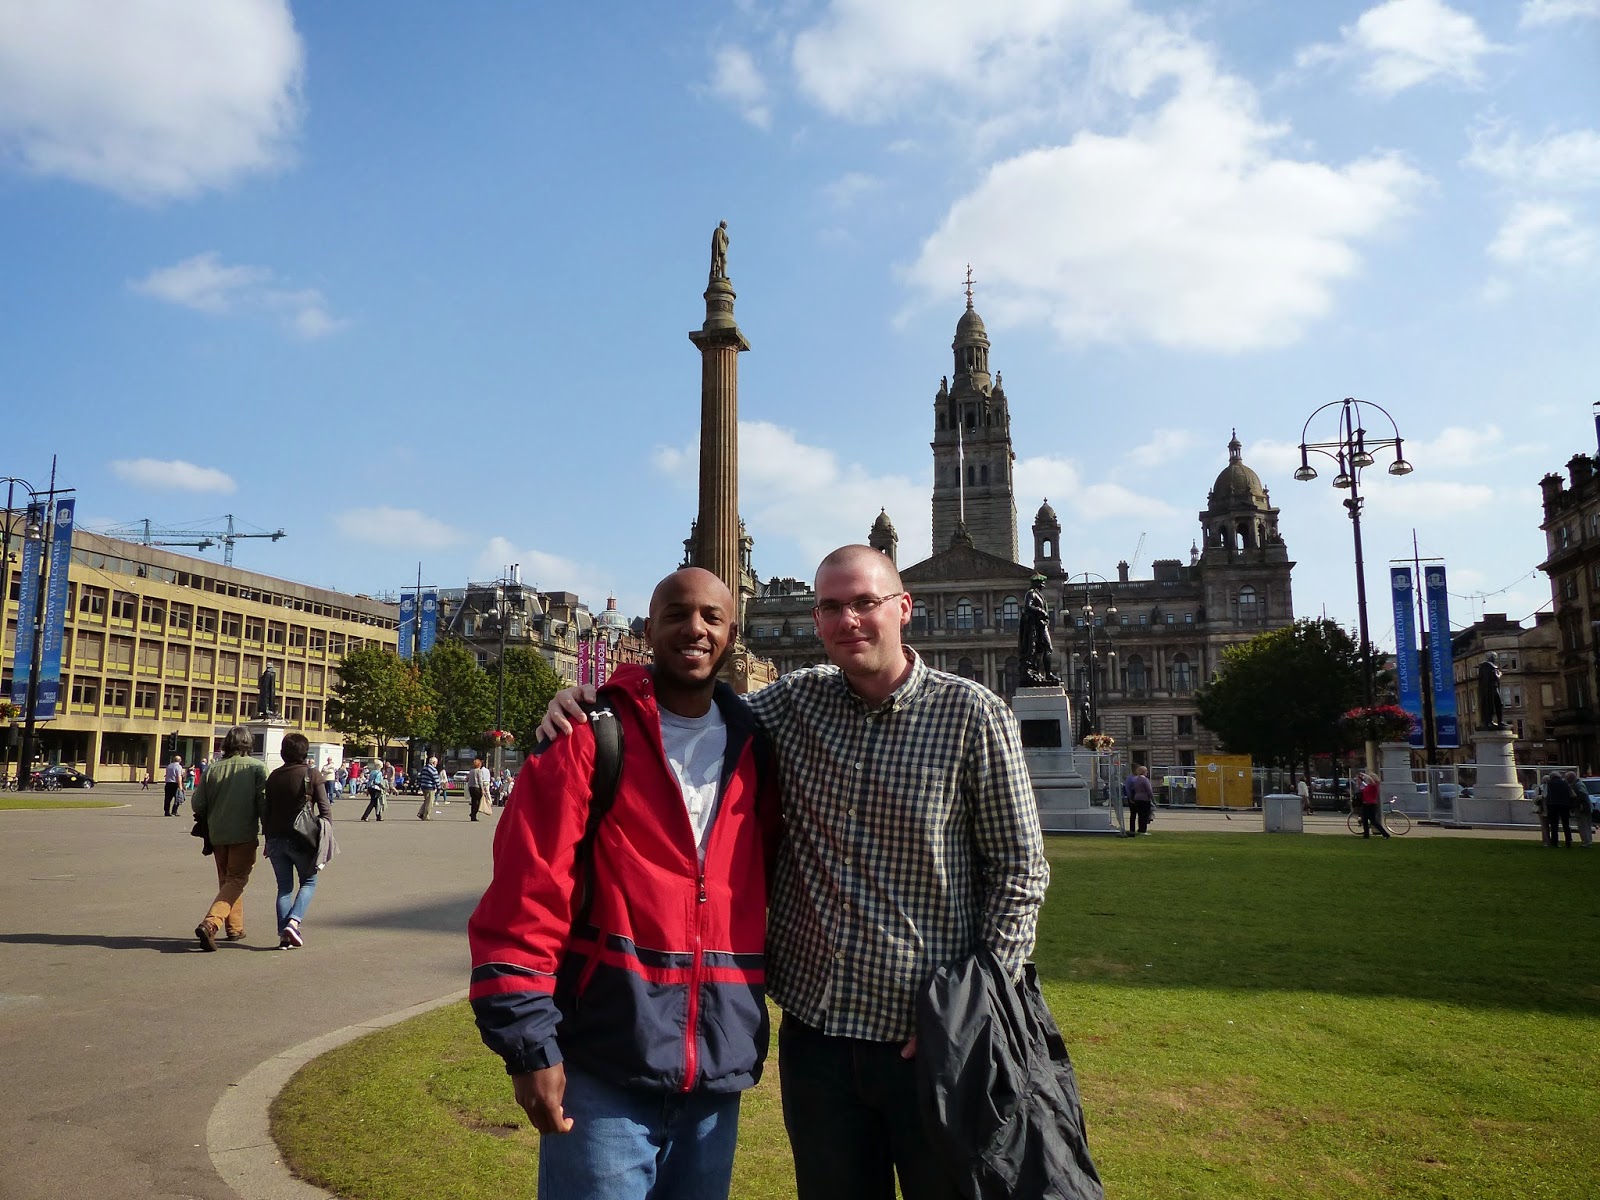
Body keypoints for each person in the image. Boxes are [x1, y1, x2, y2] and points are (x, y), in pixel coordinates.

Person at [542, 546, 1051, 1200]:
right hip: (818, 1045)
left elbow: (1021, 874)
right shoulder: (794, 705)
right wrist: (593, 700)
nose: (850, 620)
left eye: (865, 602)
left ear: (903, 608)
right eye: (833, 607)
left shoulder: (976, 715)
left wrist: (972, 1011)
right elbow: (691, 709)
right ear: (817, 619)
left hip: (929, 1043)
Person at [469, 568, 781, 1200]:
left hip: (714, 1073)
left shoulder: (762, 747)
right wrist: (529, 1044)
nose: (694, 628)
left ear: (733, 635)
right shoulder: (587, 734)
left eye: (712, 618)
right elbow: (528, 892)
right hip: (603, 1064)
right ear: (646, 629)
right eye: (676, 614)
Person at [191, 725, 268, 950]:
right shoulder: (257, 768)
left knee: (228, 880)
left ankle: (234, 927)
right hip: (243, 832)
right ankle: (211, 923)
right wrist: (269, 830)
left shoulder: (213, 769)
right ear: (249, 744)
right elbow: (264, 803)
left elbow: (198, 803)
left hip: (217, 834)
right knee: (237, 879)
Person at [263, 732, 334, 949]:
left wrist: (267, 837)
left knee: (284, 887)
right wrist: (324, 835)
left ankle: (284, 936)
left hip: (275, 838)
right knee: (309, 881)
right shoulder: (311, 774)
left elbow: (266, 810)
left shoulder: (273, 776)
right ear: (305, 752)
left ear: (283, 752)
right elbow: (325, 809)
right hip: (301, 839)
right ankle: (293, 922)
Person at [1544, 770, 1574, 848]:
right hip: (1564, 805)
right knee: (1566, 824)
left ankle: (1555, 842)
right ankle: (1568, 841)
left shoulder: (1549, 784)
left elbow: (1546, 795)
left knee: (1554, 824)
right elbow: (1571, 794)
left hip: (1553, 805)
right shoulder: (1565, 783)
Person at [1357, 771, 1388, 839]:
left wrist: (1365, 775)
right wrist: (1360, 782)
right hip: (1365, 804)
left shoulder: (1375, 786)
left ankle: (1385, 834)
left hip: (1371, 805)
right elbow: (1362, 789)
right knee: (1364, 820)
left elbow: (1371, 781)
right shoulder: (1368, 786)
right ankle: (1366, 835)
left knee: (1373, 821)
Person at [1124, 764, 1154, 835]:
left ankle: (1137, 829)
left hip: (1136, 797)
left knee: (1139, 814)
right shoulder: (1134, 778)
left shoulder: (1136, 778)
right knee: (1138, 814)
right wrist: (1130, 798)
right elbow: (1128, 789)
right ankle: (1137, 829)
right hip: (1137, 797)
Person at [1567, 770, 1593, 849]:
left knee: (1584, 825)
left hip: (1584, 809)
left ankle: (1586, 842)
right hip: (1585, 808)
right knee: (1584, 825)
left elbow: (1582, 796)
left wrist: (1575, 804)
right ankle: (1587, 841)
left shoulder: (1578, 785)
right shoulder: (1578, 784)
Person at [416, 755, 442, 820]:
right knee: (430, 802)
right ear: (433, 762)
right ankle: (426, 816)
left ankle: (421, 813)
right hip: (430, 787)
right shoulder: (433, 769)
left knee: (426, 801)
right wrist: (439, 787)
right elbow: (436, 779)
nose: (436, 764)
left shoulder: (424, 768)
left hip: (423, 786)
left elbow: (420, 776)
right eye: (436, 763)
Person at [467, 756, 491, 822]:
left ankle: (473, 816)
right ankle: (473, 813)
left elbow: (468, 779)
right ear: (479, 764)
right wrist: (482, 789)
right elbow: (480, 781)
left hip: (471, 787)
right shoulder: (479, 771)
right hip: (477, 787)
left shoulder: (471, 771)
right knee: (479, 801)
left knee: (473, 801)